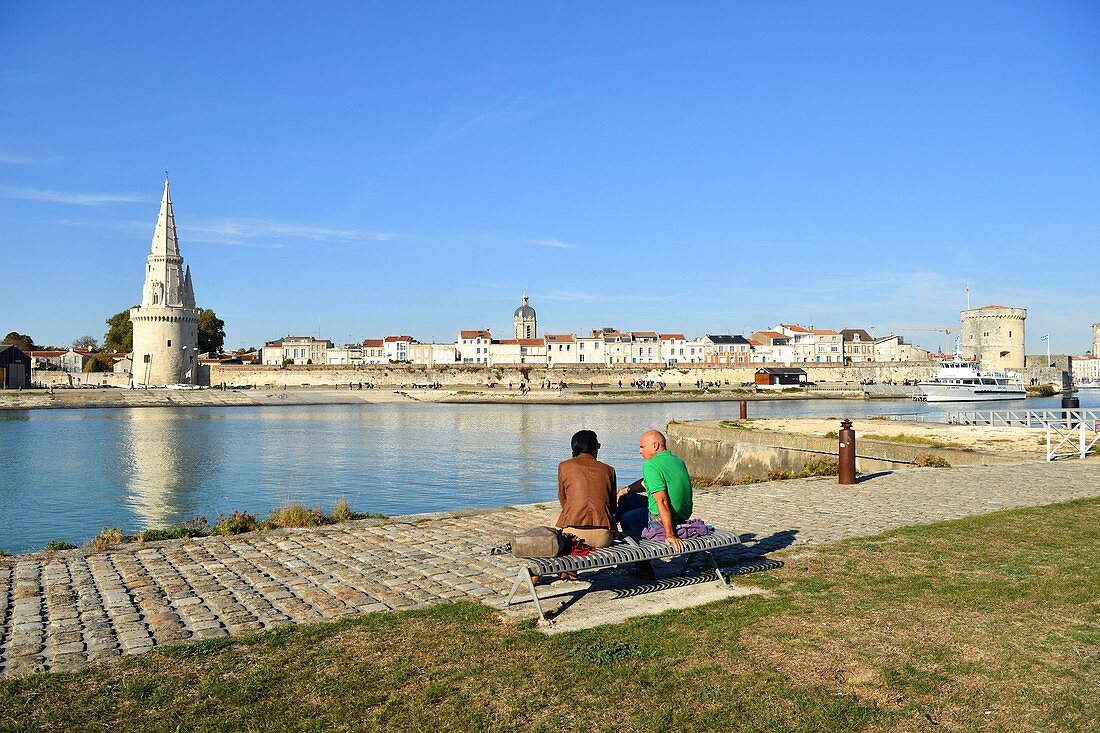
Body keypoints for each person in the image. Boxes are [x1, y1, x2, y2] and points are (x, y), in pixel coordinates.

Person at [617, 429, 693, 553]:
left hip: (660, 520)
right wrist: (626, 490)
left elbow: (662, 501)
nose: (639, 451)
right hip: (681, 515)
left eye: (642, 447)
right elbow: (645, 483)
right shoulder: (678, 462)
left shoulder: (651, 465)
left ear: (655, 445)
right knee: (627, 498)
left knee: (626, 518)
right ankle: (610, 528)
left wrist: (669, 534)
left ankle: (642, 563)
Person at [555, 430, 617, 548]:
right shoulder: (609, 470)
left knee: (555, 516)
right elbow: (612, 506)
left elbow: (563, 500)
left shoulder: (564, 466)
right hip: (603, 538)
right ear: (595, 448)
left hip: (573, 536)